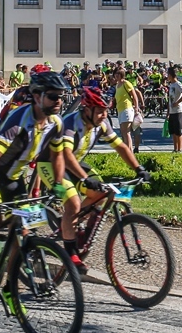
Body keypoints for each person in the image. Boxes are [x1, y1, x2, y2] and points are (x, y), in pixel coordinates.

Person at [0, 72, 69, 282]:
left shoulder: (56, 123)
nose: (59, 101)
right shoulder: (19, 120)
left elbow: (57, 156)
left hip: (15, 178)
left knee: (23, 229)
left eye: (62, 96)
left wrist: (59, 183)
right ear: (37, 96)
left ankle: (10, 282)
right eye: (53, 96)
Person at [36, 87, 149, 270]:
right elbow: (64, 154)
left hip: (75, 162)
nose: (104, 115)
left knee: (102, 191)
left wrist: (138, 168)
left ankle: (74, 227)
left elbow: (121, 147)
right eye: (100, 111)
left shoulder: (102, 124)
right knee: (73, 203)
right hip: (51, 164)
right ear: (87, 109)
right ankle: (71, 253)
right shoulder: (71, 123)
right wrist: (84, 178)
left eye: (106, 110)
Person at [112, 68, 140, 151]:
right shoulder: (117, 85)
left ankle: (129, 151)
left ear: (122, 75)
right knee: (123, 132)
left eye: (118, 74)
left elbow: (134, 96)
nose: (116, 75)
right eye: (115, 74)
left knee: (126, 132)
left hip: (127, 109)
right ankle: (126, 151)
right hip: (120, 110)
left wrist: (136, 107)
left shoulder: (126, 83)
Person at [167, 67, 182, 153]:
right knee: (173, 131)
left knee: (179, 131)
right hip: (172, 111)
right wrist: (168, 112)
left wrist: (178, 102)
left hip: (179, 111)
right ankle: (175, 148)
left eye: (168, 74)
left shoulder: (178, 84)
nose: (167, 76)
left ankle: (180, 149)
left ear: (171, 75)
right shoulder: (171, 85)